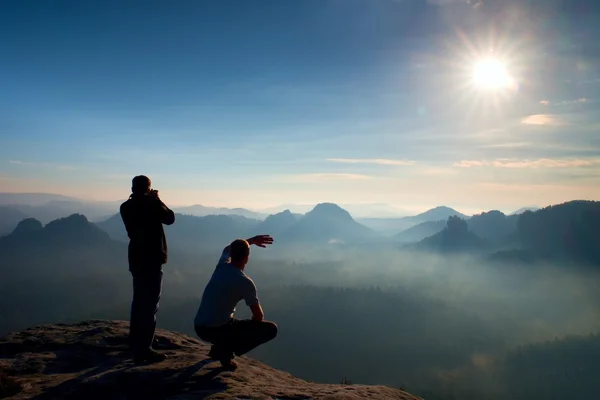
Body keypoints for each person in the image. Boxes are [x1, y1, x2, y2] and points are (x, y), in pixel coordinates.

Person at [194, 235, 278, 370]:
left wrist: (251, 241)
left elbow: (227, 249)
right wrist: (247, 331)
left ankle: (220, 347)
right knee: (270, 329)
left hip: (199, 327)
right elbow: (258, 316)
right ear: (247, 258)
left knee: (231, 324)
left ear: (232, 254)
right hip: (218, 329)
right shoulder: (245, 282)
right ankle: (225, 350)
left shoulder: (221, 266)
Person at [120, 175, 175, 364]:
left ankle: (136, 342)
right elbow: (170, 218)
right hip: (152, 259)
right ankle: (144, 349)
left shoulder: (125, 206)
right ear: (148, 189)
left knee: (139, 301)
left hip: (136, 258)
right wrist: (157, 199)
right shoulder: (152, 205)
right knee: (150, 304)